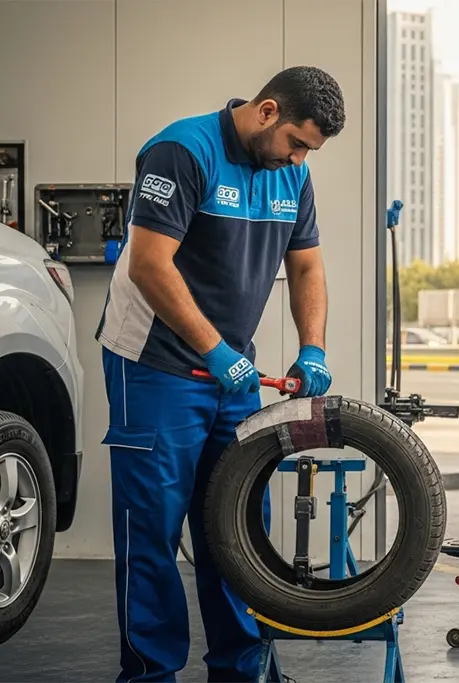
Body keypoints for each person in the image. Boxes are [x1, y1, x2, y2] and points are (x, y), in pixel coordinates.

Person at [94, 65, 345, 682]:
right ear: (266, 112)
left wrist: (312, 348)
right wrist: (212, 349)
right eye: (296, 143)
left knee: (235, 529)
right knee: (152, 532)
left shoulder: (293, 173)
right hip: (153, 365)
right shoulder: (182, 151)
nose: (298, 159)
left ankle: (240, 670)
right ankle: (150, 675)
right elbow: (151, 266)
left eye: (308, 151)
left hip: (228, 371)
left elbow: (308, 269)